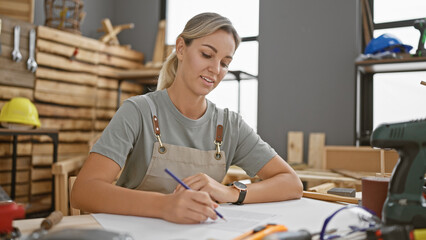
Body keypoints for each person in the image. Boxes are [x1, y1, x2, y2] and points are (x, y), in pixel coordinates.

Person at [71, 12, 303, 224]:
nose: (215, 69)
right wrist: (164, 206)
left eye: (224, 63)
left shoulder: (229, 125)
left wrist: (230, 193)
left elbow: (291, 183)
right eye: (206, 55)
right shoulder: (138, 111)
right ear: (181, 48)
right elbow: (84, 191)